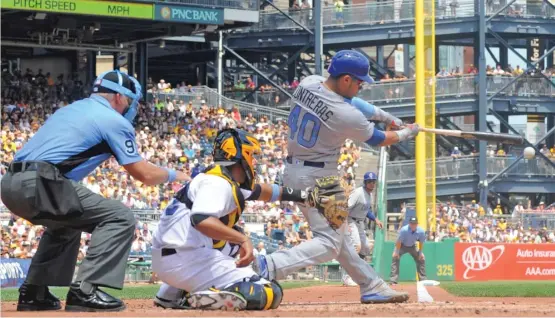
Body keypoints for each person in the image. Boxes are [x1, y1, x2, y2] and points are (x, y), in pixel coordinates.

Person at [0, 70, 189, 312]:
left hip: (10, 184)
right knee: (120, 217)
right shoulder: (113, 120)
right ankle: (85, 290)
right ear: (120, 97)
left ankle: (34, 292)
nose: (132, 108)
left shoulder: (70, 109)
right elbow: (144, 174)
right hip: (41, 182)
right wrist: (176, 175)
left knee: (67, 222)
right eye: (131, 101)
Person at [252, 50, 419, 304]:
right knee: (330, 241)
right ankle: (269, 266)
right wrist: (408, 132)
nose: (361, 86)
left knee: (337, 236)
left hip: (295, 171)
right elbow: (380, 139)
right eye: (359, 81)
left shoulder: (310, 82)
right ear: (346, 80)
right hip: (321, 178)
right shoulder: (344, 114)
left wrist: (387, 117)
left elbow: (354, 103)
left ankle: (371, 284)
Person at [151, 128, 329, 311]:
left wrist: (305, 196)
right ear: (241, 155)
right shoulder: (217, 183)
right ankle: (191, 297)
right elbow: (201, 219)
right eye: (252, 155)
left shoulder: (220, 178)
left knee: (234, 238)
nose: (254, 161)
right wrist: (243, 240)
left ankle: (171, 293)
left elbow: (266, 192)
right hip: (183, 259)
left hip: (173, 257)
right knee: (268, 292)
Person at [342, 171, 383, 287]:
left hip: (360, 222)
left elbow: (367, 211)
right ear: (365, 182)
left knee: (365, 248)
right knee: (357, 247)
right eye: (369, 181)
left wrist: (375, 219)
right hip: (351, 220)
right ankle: (347, 276)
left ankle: (358, 274)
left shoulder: (369, 194)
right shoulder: (358, 192)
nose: (371, 184)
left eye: (373, 182)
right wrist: (345, 224)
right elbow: (346, 207)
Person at [389, 217, 427, 284]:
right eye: (412, 224)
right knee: (395, 257)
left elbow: (421, 242)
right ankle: (393, 280)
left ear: (417, 224)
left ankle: (423, 280)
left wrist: (420, 253)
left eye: (415, 224)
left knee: (421, 258)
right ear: (409, 223)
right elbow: (399, 241)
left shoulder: (421, 231)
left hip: (413, 246)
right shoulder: (404, 230)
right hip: (401, 246)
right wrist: (396, 252)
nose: (413, 225)